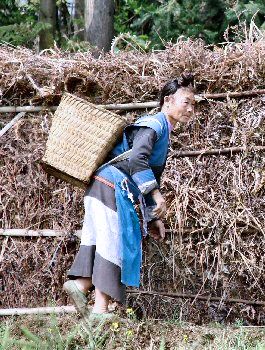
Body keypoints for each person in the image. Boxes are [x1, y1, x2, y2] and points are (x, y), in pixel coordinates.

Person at [63, 73, 195, 320]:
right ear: (167, 101)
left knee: (104, 239)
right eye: (185, 102)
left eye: (193, 104)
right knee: (112, 244)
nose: (190, 108)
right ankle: (100, 311)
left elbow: (141, 172)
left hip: (103, 186)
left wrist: (152, 216)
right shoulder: (154, 125)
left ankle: (80, 285)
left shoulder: (161, 130)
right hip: (111, 187)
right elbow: (136, 161)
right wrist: (157, 195)